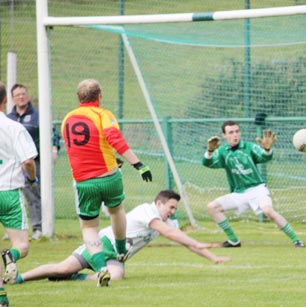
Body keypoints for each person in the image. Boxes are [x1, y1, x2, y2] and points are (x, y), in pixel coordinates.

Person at [9, 190, 231, 285]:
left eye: (175, 208)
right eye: (171, 207)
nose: (173, 211)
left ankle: (73, 279)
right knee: (62, 267)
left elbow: (183, 241)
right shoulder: (148, 210)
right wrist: (195, 241)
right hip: (102, 245)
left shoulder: (163, 219)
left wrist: (213, 258)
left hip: (117, 255)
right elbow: (170, 233)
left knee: (115, 277)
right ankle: (19, 278)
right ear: (160, 203)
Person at [61, 79, 153, 287]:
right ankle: (121, 251)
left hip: (84, 182)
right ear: (99, 96)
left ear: (79, 98)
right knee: (116, 211)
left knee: (89, 227)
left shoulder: (67, 118)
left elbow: (83, 147)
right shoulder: (103, 114)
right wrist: (138, 164)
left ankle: (102, 268)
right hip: (109, 177)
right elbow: (114, 138)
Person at [202, 120, 306, 248]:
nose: (235, 135)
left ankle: (297, 240)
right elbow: (208, 163)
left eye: (237, 131)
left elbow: (264, 157)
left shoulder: (249, 147)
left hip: (257, 189)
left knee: (268, 211)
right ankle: (233, 240)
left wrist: (267, 149)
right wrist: (210, 151)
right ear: (224, 135)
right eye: (231, 132)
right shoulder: (223, 151)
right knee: (212, 207)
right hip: (239, 193)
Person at [0, 81, 39, 306]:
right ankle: (11, 256)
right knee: (22, 246)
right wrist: (32, 179)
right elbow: (28, 160)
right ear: (6, 100)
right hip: (9, 193)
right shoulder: (13, 127)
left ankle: (1, 297)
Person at [7, 83, 60, 241]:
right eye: (18, 95)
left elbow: (53, 133)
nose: (21, 97)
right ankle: (13, 229)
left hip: (33, 162)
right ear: (12, 99)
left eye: (24, 93)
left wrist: (54, 149)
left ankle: (38, 228)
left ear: (28, 96)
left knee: (35, 193)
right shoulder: (9, 119)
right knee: (14, 195)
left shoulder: (38, 115)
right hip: (13, 164)